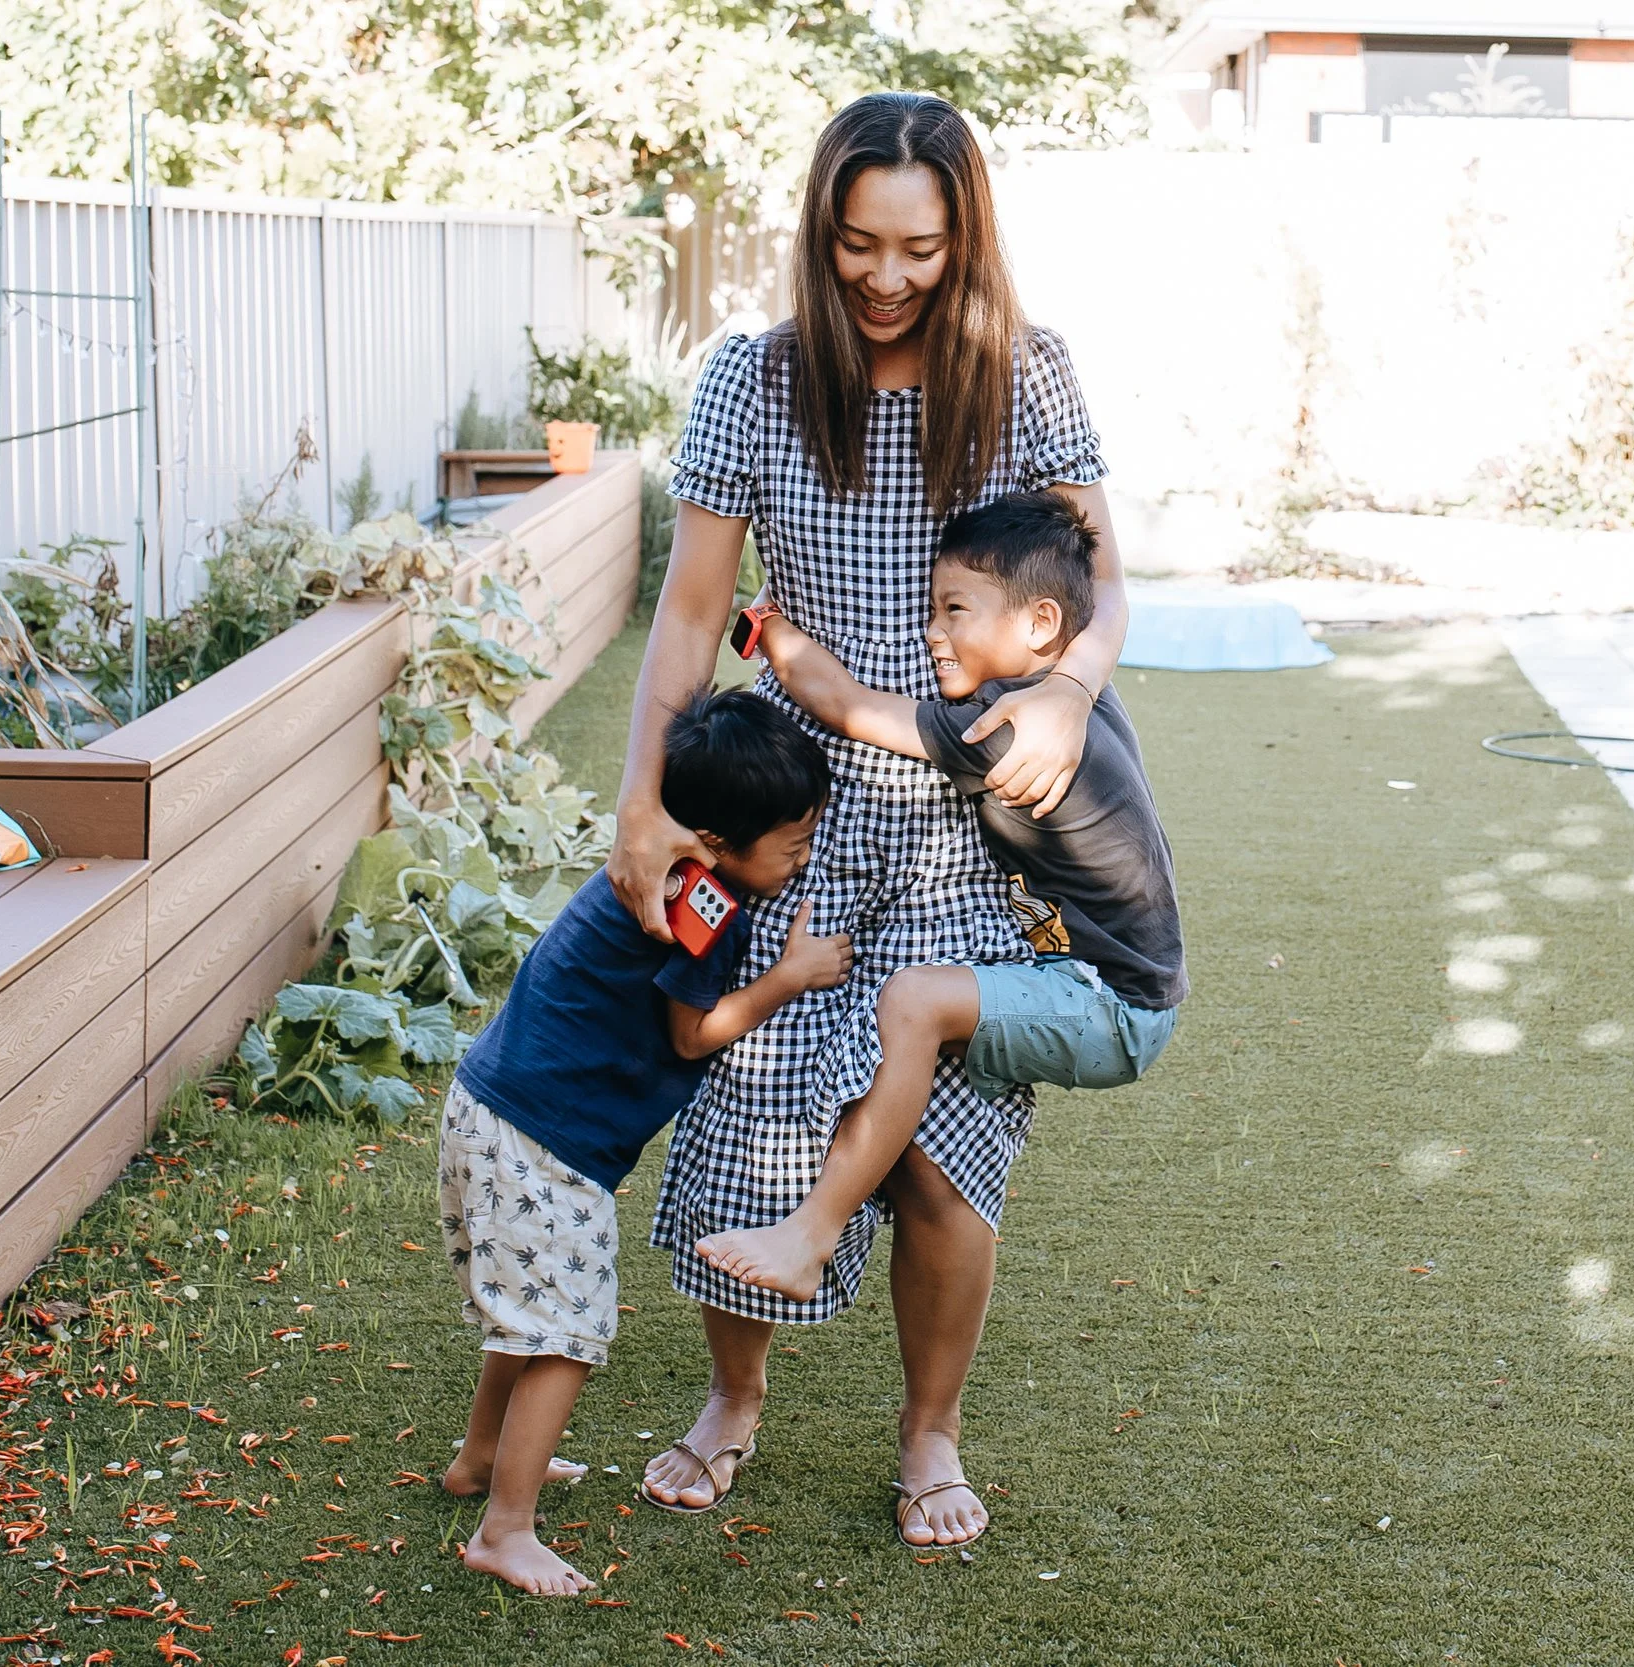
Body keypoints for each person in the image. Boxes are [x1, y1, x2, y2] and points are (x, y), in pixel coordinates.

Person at [609, 91, 1128, 1549]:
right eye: (857, 243)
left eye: (920, 247)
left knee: (945, 1145)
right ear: (818, 233)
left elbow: (1105, 583)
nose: (888, 277)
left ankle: (929, 1430)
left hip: (976, 827)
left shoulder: (1027, 371)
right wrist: (646, 798)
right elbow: (693, 610)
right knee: (749, 1107)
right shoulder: (753, 378)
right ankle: (734, 1395)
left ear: (966, 238)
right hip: (798, 816)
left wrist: (1067, 693)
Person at [698, 491, 1184, 1319]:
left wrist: (765, 622)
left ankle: (812, 1232)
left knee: (913, 1001)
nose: (931, 632)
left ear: (1040, 623)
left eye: (954, 610)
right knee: (916, 1017)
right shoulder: (1081, 697)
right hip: (1110, 981)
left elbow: (841, 702)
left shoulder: (995, 726)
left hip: (1111, 1004)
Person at [438, 689, 850, 1595]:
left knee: (533, 1314)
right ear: (720, 839)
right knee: (566, 1334)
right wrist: (791, 976)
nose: (804, 854)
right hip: (541, 1140)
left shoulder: (661, 863)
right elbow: (692, 1036)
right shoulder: (706, 901)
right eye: (792, 843)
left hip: (494, 1106)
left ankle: (481, 1457)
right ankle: (505, 1529)